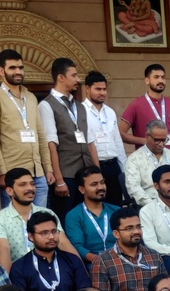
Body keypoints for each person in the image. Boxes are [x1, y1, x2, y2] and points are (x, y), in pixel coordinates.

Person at [0, 49, 53, 208]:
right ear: (1, 71)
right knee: (15, 220)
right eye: (12, 68)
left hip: (38, 173)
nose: (18, 72)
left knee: (39, 219)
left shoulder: (31, 97)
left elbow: (41, 135)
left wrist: (48, 168)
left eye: (21, 68)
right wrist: (2, 172)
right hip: (13, 174)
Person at [39, 57, 99, 221]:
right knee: (65, 219)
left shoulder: (80, 106)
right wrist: (59, 180)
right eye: (73, 75)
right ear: (60, 77)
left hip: (86, 173)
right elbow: (50, 144)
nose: (78, 80)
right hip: (66, 174)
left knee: (86, 218)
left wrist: (97, 172)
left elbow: (90, 142)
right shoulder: (46, 105)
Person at [0, 168, 75, 271]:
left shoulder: (47, 213)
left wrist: (81, 272)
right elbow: (3, 249)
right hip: (18, 274)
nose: (30, 188)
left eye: (32, 184)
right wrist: (6, 281)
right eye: (23, 185)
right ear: (9, 191)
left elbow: (63, 243)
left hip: (51, 270)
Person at [91, 207, 167, 291]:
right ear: (116, 233)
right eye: (129, 228)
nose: (136, 231)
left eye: (138, 227)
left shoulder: (154, 256)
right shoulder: (103, 261)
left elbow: (166, 289)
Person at [82, 71, 128, 206]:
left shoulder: (110, 112)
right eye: (98, 89)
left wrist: (124, 169)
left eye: (104, 89)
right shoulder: (80, 111)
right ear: (87, 88)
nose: (102, 93)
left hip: (113, 166)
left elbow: (117, 142)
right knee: (96, 205)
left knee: (115, 206)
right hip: (93, 166)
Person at [124, 120, 170, 208]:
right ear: (147, 136)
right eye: (157, 140)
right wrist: (155, 208)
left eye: (164, 140)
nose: (161, 144)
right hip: (149, 205)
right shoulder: (134, 159)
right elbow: (134, 187)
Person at [119, 64, 170, 153]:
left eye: (163, 77)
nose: (160, 80)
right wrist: (144, 141)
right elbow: (120, 133)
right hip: (147, 157)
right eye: (156, 77)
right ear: (147, 81)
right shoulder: (136, 105)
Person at [64, 166, 119, 264]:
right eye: (94, 184)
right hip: (92, 264)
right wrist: (98, 260)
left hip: (121, 260)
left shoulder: (116, 211)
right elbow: (76, 246)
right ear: (82, 189)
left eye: (102, 182)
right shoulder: (74, 216)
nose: (101, 187)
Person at [138, 165, 170, 258]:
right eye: (167, 182)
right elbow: (150, 242)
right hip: (161, 258)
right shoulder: (147, 211)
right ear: (156, 186)